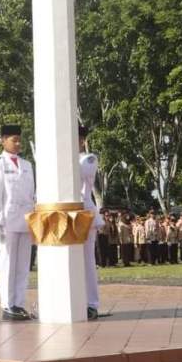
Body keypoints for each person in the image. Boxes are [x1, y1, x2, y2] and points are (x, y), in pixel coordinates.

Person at [0, 124, 35, 321]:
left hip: (25, 220)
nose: (17, 143)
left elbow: (32, 194)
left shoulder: (27, 165)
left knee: (23, 264)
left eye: (19, 139)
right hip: (7, 220)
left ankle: (19, 302)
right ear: (3, 140)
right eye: (13, 140)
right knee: (8, 263)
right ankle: (8, 304)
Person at [79, 126, 103, 320]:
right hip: (65, 214)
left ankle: (91, 304)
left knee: (87, 261)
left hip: (85, 213)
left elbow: (79, 173)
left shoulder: (88, 159)